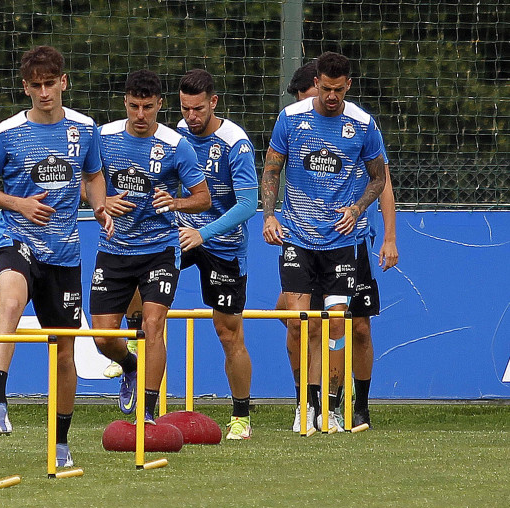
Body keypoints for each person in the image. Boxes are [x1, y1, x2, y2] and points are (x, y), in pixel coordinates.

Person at [0, 45, 112, 468]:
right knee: (11, 300)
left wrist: (99, 205)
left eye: (50, 83)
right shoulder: (5, 134)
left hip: (64, 252)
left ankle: (59, 441)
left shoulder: (85, 129)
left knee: (64, 351)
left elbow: (93, 174)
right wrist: (18, 204)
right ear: (25, 88)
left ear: (63, 83)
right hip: (15, 237)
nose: (43, 92)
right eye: (35, 85)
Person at [261, 52, 386, 433]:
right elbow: (270, 169)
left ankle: (331, 408)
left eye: (338, 89)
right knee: (301, 326)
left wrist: (358, 207)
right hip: (298, 237)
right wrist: (269, 215)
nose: (331, 96)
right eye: (325, 88)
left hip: (341, 242)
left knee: (336, 328)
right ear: (315, 82)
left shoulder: (363, 125)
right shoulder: (291, 119)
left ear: (348, 84)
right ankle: (305, 405)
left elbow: (378, 179)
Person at [90, 69, 211, 424]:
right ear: (124, 103)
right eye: (133, 106)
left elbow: (202, 198)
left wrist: (175, 203)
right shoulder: (104, 137)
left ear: (160, 104)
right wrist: (103, 202)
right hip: (114, 247)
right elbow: (87, 183)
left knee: (154, 324)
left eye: (147, 107)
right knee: (103, 336)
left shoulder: (177, 146)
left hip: (159, 248)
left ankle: (148, 411)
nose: (140, 115)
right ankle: (129, 364)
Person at [174, 69, 259, 439]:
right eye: (185, 108)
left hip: (222, 243)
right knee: (137, 263)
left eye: (198, 109)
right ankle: (131, 341)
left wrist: (203, 233)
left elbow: (248, 205)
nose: (191, 117)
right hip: (182, 230)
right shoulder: (176, 134)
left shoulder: (235, 143)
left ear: (214, 103)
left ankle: (242, 416)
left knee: (228, 332)